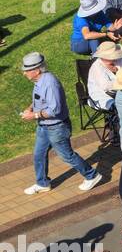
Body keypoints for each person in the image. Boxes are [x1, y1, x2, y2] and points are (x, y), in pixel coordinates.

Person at [22, 52, 102, 196]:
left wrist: (33, 115)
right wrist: (31, 108)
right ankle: (42, 183)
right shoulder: (39, 81)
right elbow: (41, 99)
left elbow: (55, 109)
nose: (24, 73)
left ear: (37, 70)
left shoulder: (50, 83)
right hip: (44, 126)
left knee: (67, 156)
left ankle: (92, 175)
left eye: (27, 70)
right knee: (38, 154)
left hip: (57, 127)